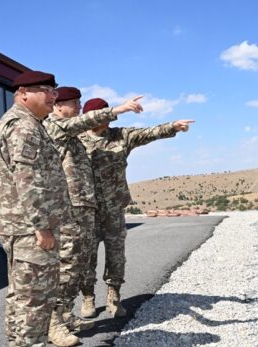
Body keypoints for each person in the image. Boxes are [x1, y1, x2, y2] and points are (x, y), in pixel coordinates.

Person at [42, 87, 144, 346]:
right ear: (58, 106)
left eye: (79, 102)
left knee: (79, 262)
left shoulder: (72, 131)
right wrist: (117, 110)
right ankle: (53, 323)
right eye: (74, 102)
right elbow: (84, 121)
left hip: (85, 206)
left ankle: (65, 315)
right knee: (68, 264)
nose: (78, 105)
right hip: (70, 208)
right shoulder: (55, 127)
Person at [78, 97, 194, 317]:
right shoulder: (76, 139)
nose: (103, 119)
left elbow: (148, 133)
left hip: (113, 207)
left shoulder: (120, 135)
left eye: (105, 114)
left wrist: (173, 127)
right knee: (86, 255)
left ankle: (114, 296)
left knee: (116, 254)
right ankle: (87, 297)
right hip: (86, 209)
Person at [0, 71, 68, 347]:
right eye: (46, 90)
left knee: (21, 298)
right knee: (35, 302)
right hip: (29, 229)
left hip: (22, 227)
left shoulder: (30, 124)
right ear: (23, 92)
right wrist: (41, 226)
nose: (53, 96)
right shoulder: (24, 127)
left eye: (54, 91)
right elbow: (28, 182)